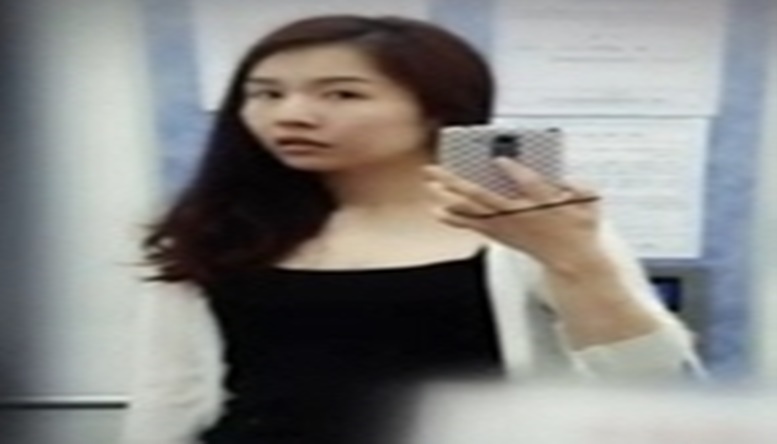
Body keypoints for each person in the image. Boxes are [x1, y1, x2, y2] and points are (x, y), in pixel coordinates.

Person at [121, 14, 703, 444]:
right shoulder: (223, 226)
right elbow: (168, 395)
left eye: (342, 94)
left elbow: (650, 380)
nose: (290, 114)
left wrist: (576, 259)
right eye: (266, 94)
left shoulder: (525, 225)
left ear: (437, 109)